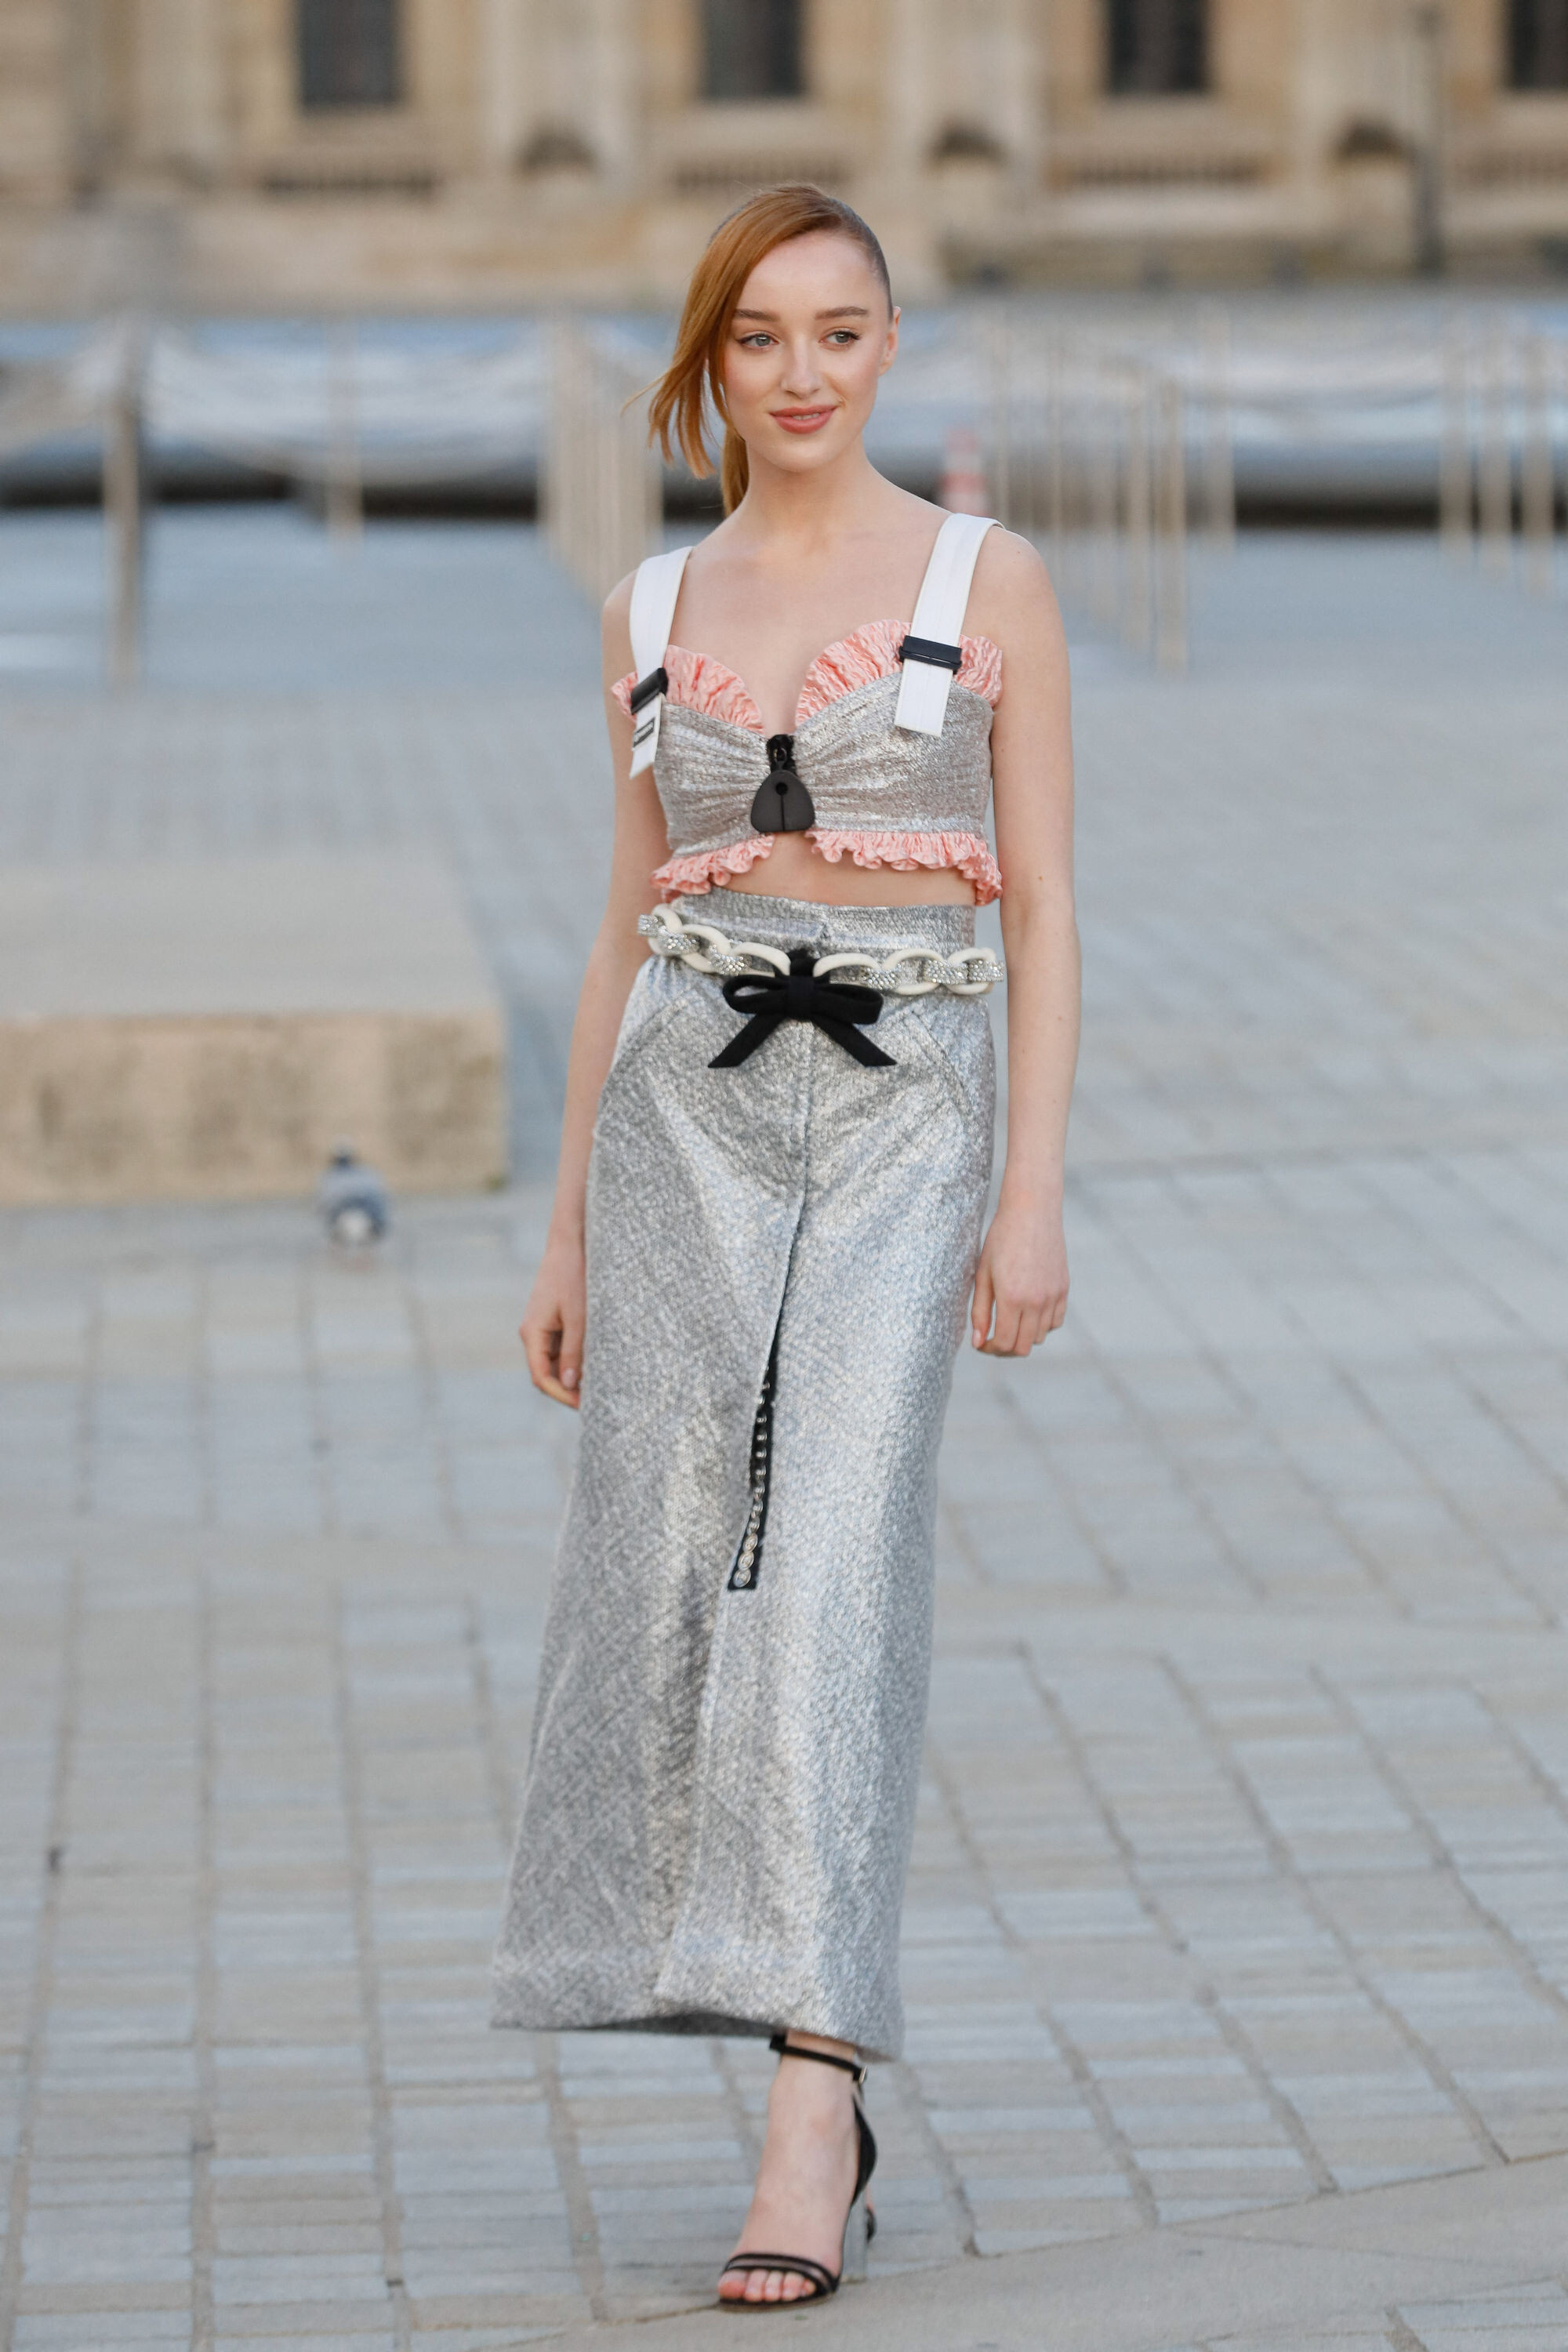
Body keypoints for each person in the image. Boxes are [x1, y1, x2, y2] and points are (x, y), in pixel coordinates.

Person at [492, 183, 1079, 2309]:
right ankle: (724, 1991)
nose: (803, 372)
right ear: (710, 365)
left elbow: (1049, 906)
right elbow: (619, 924)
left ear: (890, 346)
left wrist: (1033, 1189)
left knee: (827, 1568)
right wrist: (566, 1223)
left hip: (913, 1112)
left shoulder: (984, 577)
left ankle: (815, 2102)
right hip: (683, 1110)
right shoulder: (650, 599)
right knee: (670, 1563)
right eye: (759, 337)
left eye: (839, 330)